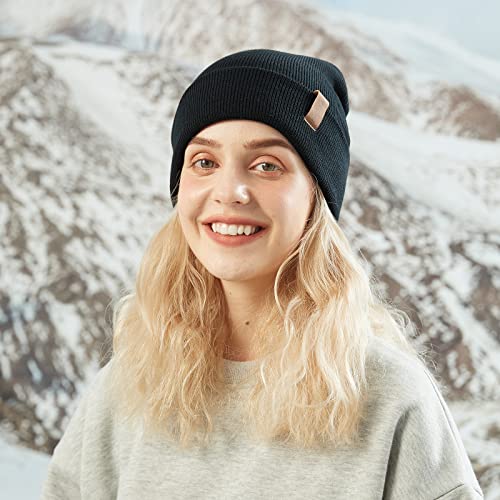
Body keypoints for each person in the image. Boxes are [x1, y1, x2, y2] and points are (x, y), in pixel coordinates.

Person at [41, 48, 484, 499]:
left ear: (316, 198)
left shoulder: (391, 399)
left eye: (267, 165)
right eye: (204, 162)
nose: (229, 191)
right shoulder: (127, 388)